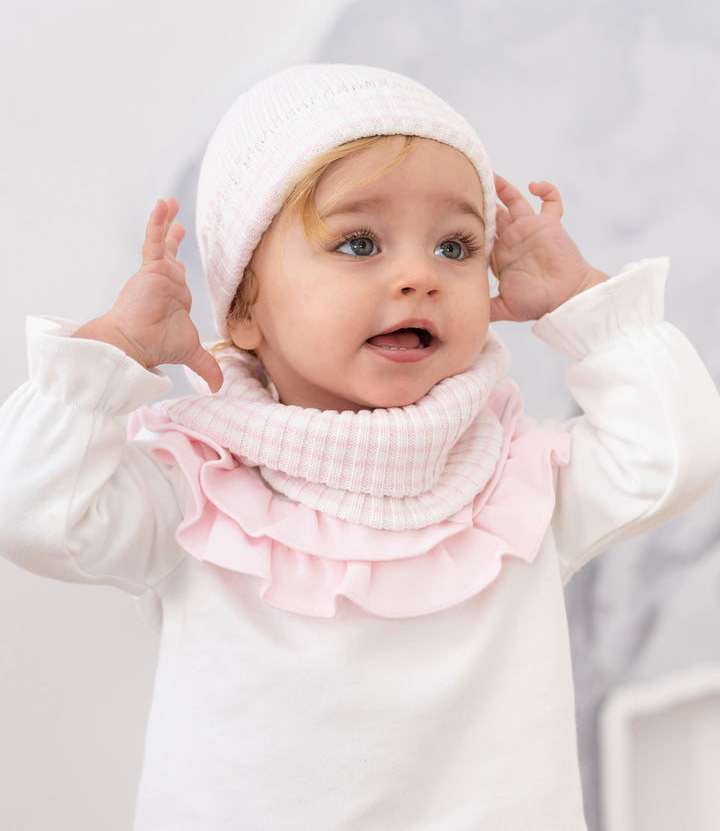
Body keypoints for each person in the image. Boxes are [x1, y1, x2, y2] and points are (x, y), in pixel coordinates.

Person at [1, 63, 719, 830]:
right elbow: (37, 513)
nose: (418, 274)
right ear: (243, 308)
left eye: (455, 246)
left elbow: (675, 452)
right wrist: (109, 354)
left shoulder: (514, 483)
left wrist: (588, 306)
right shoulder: (197, 486)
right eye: (358, 242)